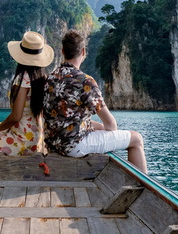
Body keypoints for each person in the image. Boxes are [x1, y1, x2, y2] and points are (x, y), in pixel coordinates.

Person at [44, 29, 147, 173]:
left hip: (52, 144)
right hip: (73, 147)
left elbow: (64, 118)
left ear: (62, 51)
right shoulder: (85, 81)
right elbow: (111, 125)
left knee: (98, 128)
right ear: (84, 52)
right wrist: (102, 128)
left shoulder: (50, 78)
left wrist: (93, 126)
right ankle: (144, 190)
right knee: (136, 139)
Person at [0, 31, 54, 158]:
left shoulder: (23, 79)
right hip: (36, 139)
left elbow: (16, 116)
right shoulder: (42, 78)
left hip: (22, 141)